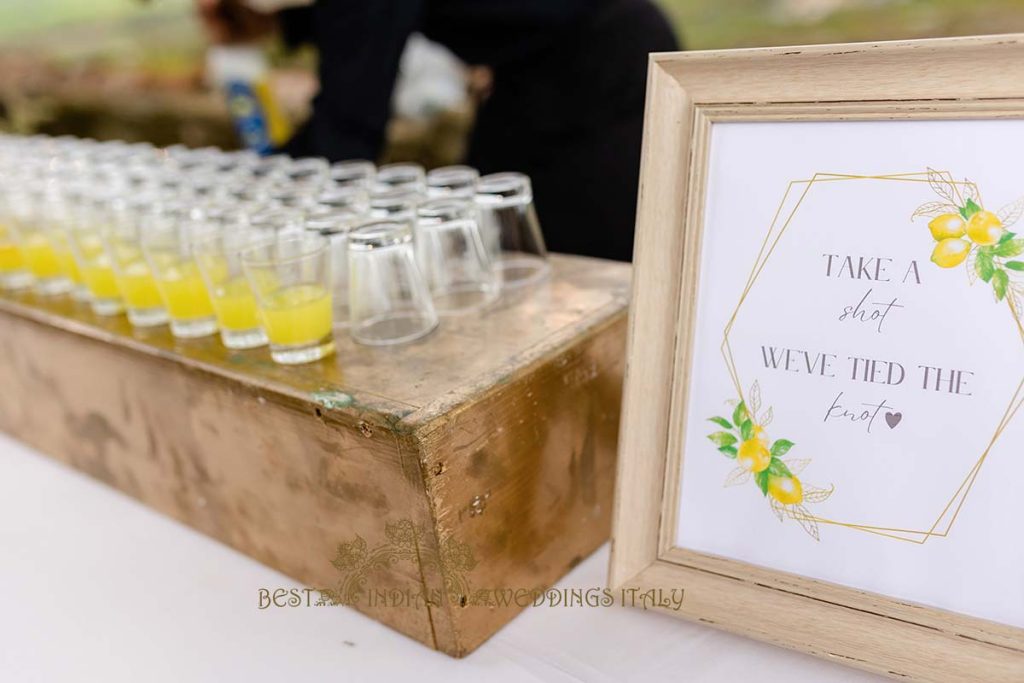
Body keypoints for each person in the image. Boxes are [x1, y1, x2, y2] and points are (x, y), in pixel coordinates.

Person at [196, 0, 679, 262]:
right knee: (493, 232)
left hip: (605, 71)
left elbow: (347, 135)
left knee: (584, 264)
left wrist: (244, 192)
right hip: (526, 76)